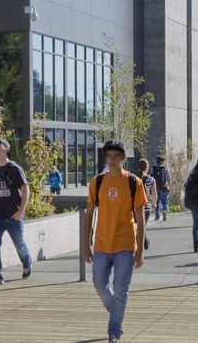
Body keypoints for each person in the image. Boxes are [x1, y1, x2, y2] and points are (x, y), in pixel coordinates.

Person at [83, 140, 148, 343]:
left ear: (123, 159)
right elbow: (89, 214)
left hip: (126, 244)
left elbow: (140, 216)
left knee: (121, 289)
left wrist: (140, 251)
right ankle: (116, 312)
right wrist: (85, 244)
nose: (112, 159)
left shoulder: (133, 182)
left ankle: (114, 332)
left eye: (116, 156)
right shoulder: (97, 182)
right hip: (102, 244)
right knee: (99, 285)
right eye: (108, 156)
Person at [0, 138, 32, 285]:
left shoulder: (15, 169)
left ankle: (27, 263)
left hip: (13, 215)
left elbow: (25, 189)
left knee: (19, 244)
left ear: (6, 149)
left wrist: (20, 212)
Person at [152, 156, 171, 222]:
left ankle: (157, 216)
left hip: (155, 188)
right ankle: (165, 211)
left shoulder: (153, 168)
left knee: (157, 202)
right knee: (165, 201)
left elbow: (151, 178)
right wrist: (169, 188)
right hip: (164, 187)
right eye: (164, 161)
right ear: (161, 161)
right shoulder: (165, 168)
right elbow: (169, 179)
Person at [138, 159, 157, 225]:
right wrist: (154, 203)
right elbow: (154, 193)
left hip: (136, 206)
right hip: (147, 206)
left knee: (138, 228)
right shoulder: (151, 179)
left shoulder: (134, 178)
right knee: (142, 228)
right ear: (147, 168)